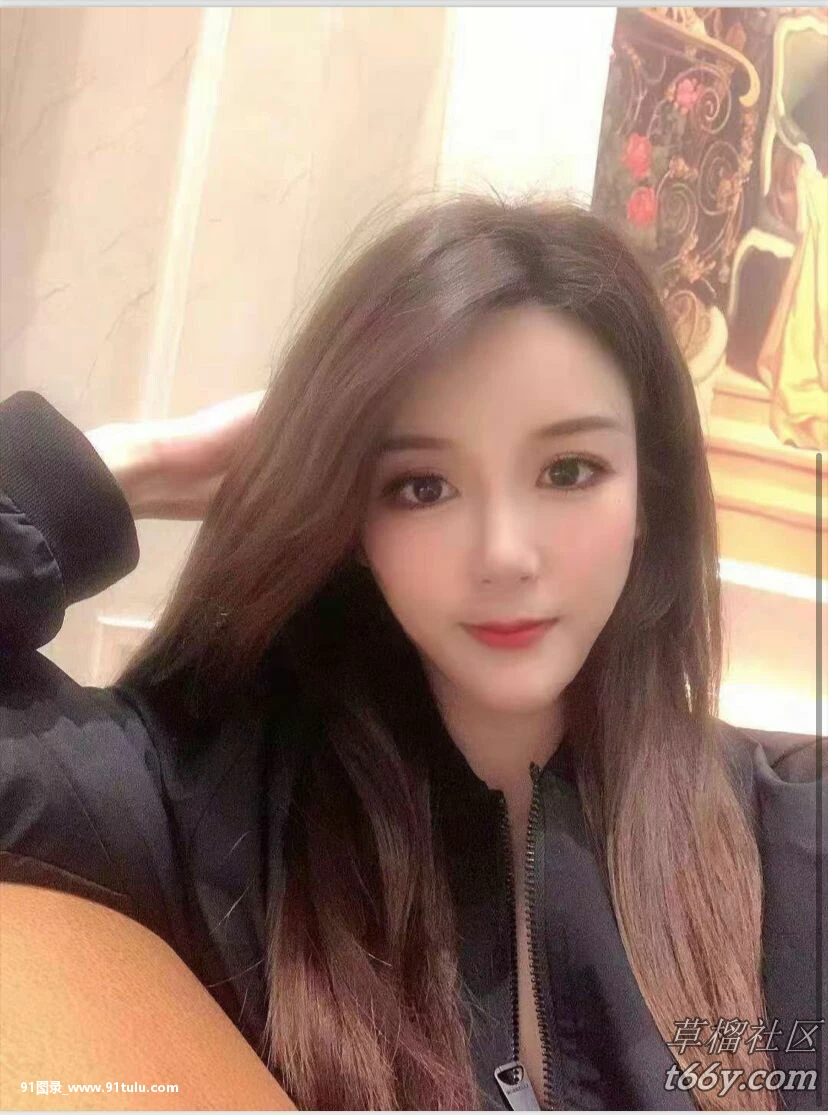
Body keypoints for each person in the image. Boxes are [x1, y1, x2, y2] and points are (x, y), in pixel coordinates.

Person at [0, 193, 823, 1112]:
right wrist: (131, 466)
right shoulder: (208, 810)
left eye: (568, 471)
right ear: (353, 522)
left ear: (648, 497)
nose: (505, 554)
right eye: (423, 485)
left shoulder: (795, 838)